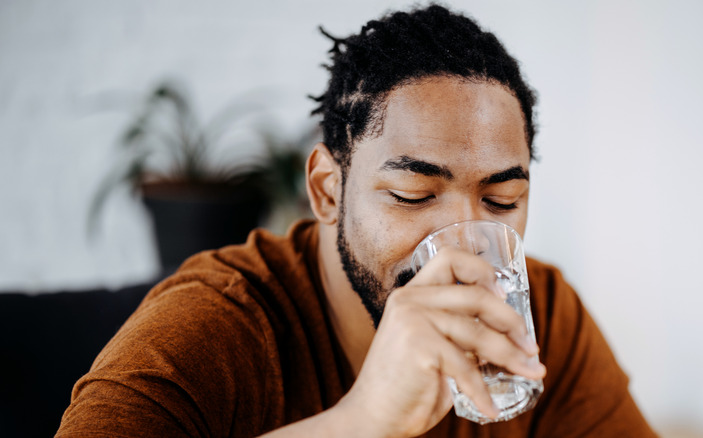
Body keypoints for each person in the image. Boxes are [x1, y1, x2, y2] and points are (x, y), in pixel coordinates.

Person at [57, 4, 656, 437]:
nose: (464, 252)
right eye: (412, 193)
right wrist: (363, 420)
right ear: (326, 191)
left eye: (501, 202)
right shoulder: (210, 330)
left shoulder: (544, 313)